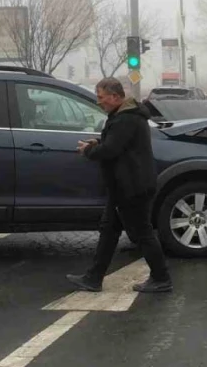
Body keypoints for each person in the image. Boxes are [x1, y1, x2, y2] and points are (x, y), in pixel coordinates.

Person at [66, 77, 172, 294]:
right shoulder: (124, 116)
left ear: (115, 97)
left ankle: (161, 278)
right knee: (109, 230)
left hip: (131, 187)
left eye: (101, 98)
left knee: (142, 233)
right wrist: (98, 143)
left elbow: (111, 150)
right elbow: (117, 145)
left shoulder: (126, 119)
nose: (99, 102)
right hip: (124, 187)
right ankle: (93, 278)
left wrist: (89, 150)